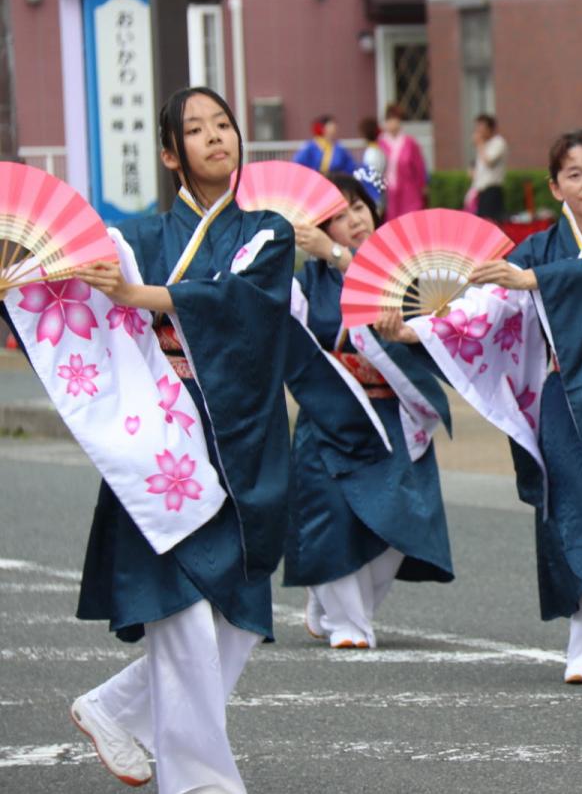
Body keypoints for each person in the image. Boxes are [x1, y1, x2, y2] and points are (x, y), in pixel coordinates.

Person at [50, 86, 292, 791]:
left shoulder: (267, 232)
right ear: (168, 155)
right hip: (158, 438)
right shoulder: (135, 241)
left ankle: (115, 707)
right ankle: (199, 781)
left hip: (237, 433)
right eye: (195, 129)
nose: (216, 136)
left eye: (223, 123)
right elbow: (76, 300)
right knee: (181, 610)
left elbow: (242, 301)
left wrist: (140, 297)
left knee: (242, 612)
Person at [401, 128, 582, 684]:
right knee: (574, 511)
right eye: (574, 174)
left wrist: (537, 280)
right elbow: (488, 306)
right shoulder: (537, 247)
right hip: (567, 402)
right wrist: (418, 331)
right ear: (555, 187)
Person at [288, 174, 454, 649]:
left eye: (359, 207)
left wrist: (341, 257)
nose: (354, 220)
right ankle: (349, 622)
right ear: (320, 229)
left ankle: (335, 606)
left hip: (393, 414)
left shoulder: (403, 277)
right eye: (338, 216)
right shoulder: (305, 283)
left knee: (401, 524)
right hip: (331, 415)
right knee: (330, 518)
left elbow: (435, 333)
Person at [378, 103, 428, 219]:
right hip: (389, 192)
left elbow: (419, 166)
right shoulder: (381, 143)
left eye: (395, 119)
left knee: (411, 219)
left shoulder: (409, 142)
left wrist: (423, 185)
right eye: (389, 120)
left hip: (409, 190)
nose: (392, 123)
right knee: (393, 222)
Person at [469, 114, 508, 223]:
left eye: (481, 128)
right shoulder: (484, 145)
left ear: (490, 128)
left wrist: (480, 144)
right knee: (481, 223)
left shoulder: (498, 142)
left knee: (491, 222)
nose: (479, 132)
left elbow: (489, 162)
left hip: (492, 190)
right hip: (481, 191)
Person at [293, 113, 357, 176]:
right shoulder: (310, 147)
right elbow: (298, 165)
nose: (334, 129)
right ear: (322, 128)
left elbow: (350, 167)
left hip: (335, 180)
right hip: (314, 179)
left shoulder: (339, 148)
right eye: (330, 126)